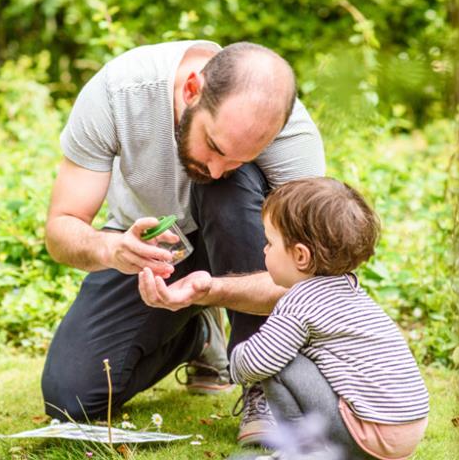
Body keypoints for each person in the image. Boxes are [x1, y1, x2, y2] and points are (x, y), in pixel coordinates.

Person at [41, 40, 326, 444]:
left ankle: (262, 380)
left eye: (239, 157)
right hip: (150, 250)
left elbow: (310, 283)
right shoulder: (118, 93)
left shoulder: (289, 133)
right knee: (69, 400)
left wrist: (212, 290)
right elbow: (61, 229)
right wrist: (113, 248)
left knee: (226, 189)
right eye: (214, 146)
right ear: (192, 89)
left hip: (247, 249)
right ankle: (198, 337)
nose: (215, 167)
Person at [230, 178, 430, 459]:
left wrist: (236, 362)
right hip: (406, 430)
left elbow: (256, 363)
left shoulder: (300, 301)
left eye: (269, 242)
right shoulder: (349, 290)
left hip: (371, 434)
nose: (264, 249)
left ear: (300, 255)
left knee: (277, 362)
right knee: (286, 351)